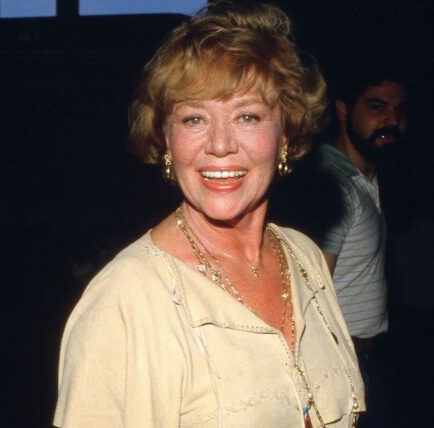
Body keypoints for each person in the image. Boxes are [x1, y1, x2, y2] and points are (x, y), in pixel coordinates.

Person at [53, 2, 364, 427]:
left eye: (247, 116)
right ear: (166, 138)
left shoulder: (304, 256)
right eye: (194, 118)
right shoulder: (125, 300)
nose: (220, 144)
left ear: (286, 134)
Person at [297, 68, 408, 428]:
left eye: (399, 110)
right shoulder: (334, 183)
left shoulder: (365, 177)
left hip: (361, 358)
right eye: (377, 107)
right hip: (334, 361)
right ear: (343, 110)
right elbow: (310, 288)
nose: (391, 120)